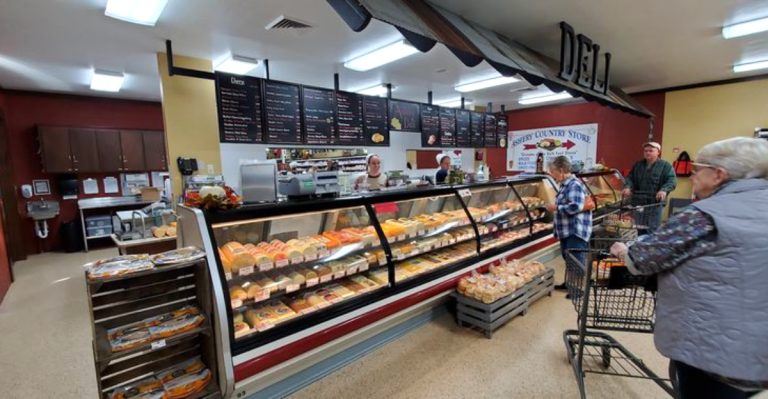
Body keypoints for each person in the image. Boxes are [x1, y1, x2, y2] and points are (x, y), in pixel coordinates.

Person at [610, 137, 768, 398]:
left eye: (697, 169)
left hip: (713, 348)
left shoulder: (702, 215)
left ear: (719, 175)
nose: (692, 176)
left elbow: (642, 259)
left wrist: (622, 250)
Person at [545, 156, 592, 292]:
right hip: (567, 230)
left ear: (561, 170)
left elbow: (575, 206)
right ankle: (569, 283)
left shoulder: (573, 185)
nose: (551, 174)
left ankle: (578, 290)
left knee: (576, 260)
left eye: (552, 171)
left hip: (575, 230)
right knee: (569, 258)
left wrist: (556, 208)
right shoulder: (565, 184)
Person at [622, 141, 677, 232]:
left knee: (652, 228)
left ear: (658, 152)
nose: (647, 153)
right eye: (646, 151)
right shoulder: (638, 165)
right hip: (638, 201)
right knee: (638, 227)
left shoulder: (666, 166)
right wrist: (628, 187)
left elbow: (672, 181)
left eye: (651, 151)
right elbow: (630, 178)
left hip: (655, 203)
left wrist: (664, 190)